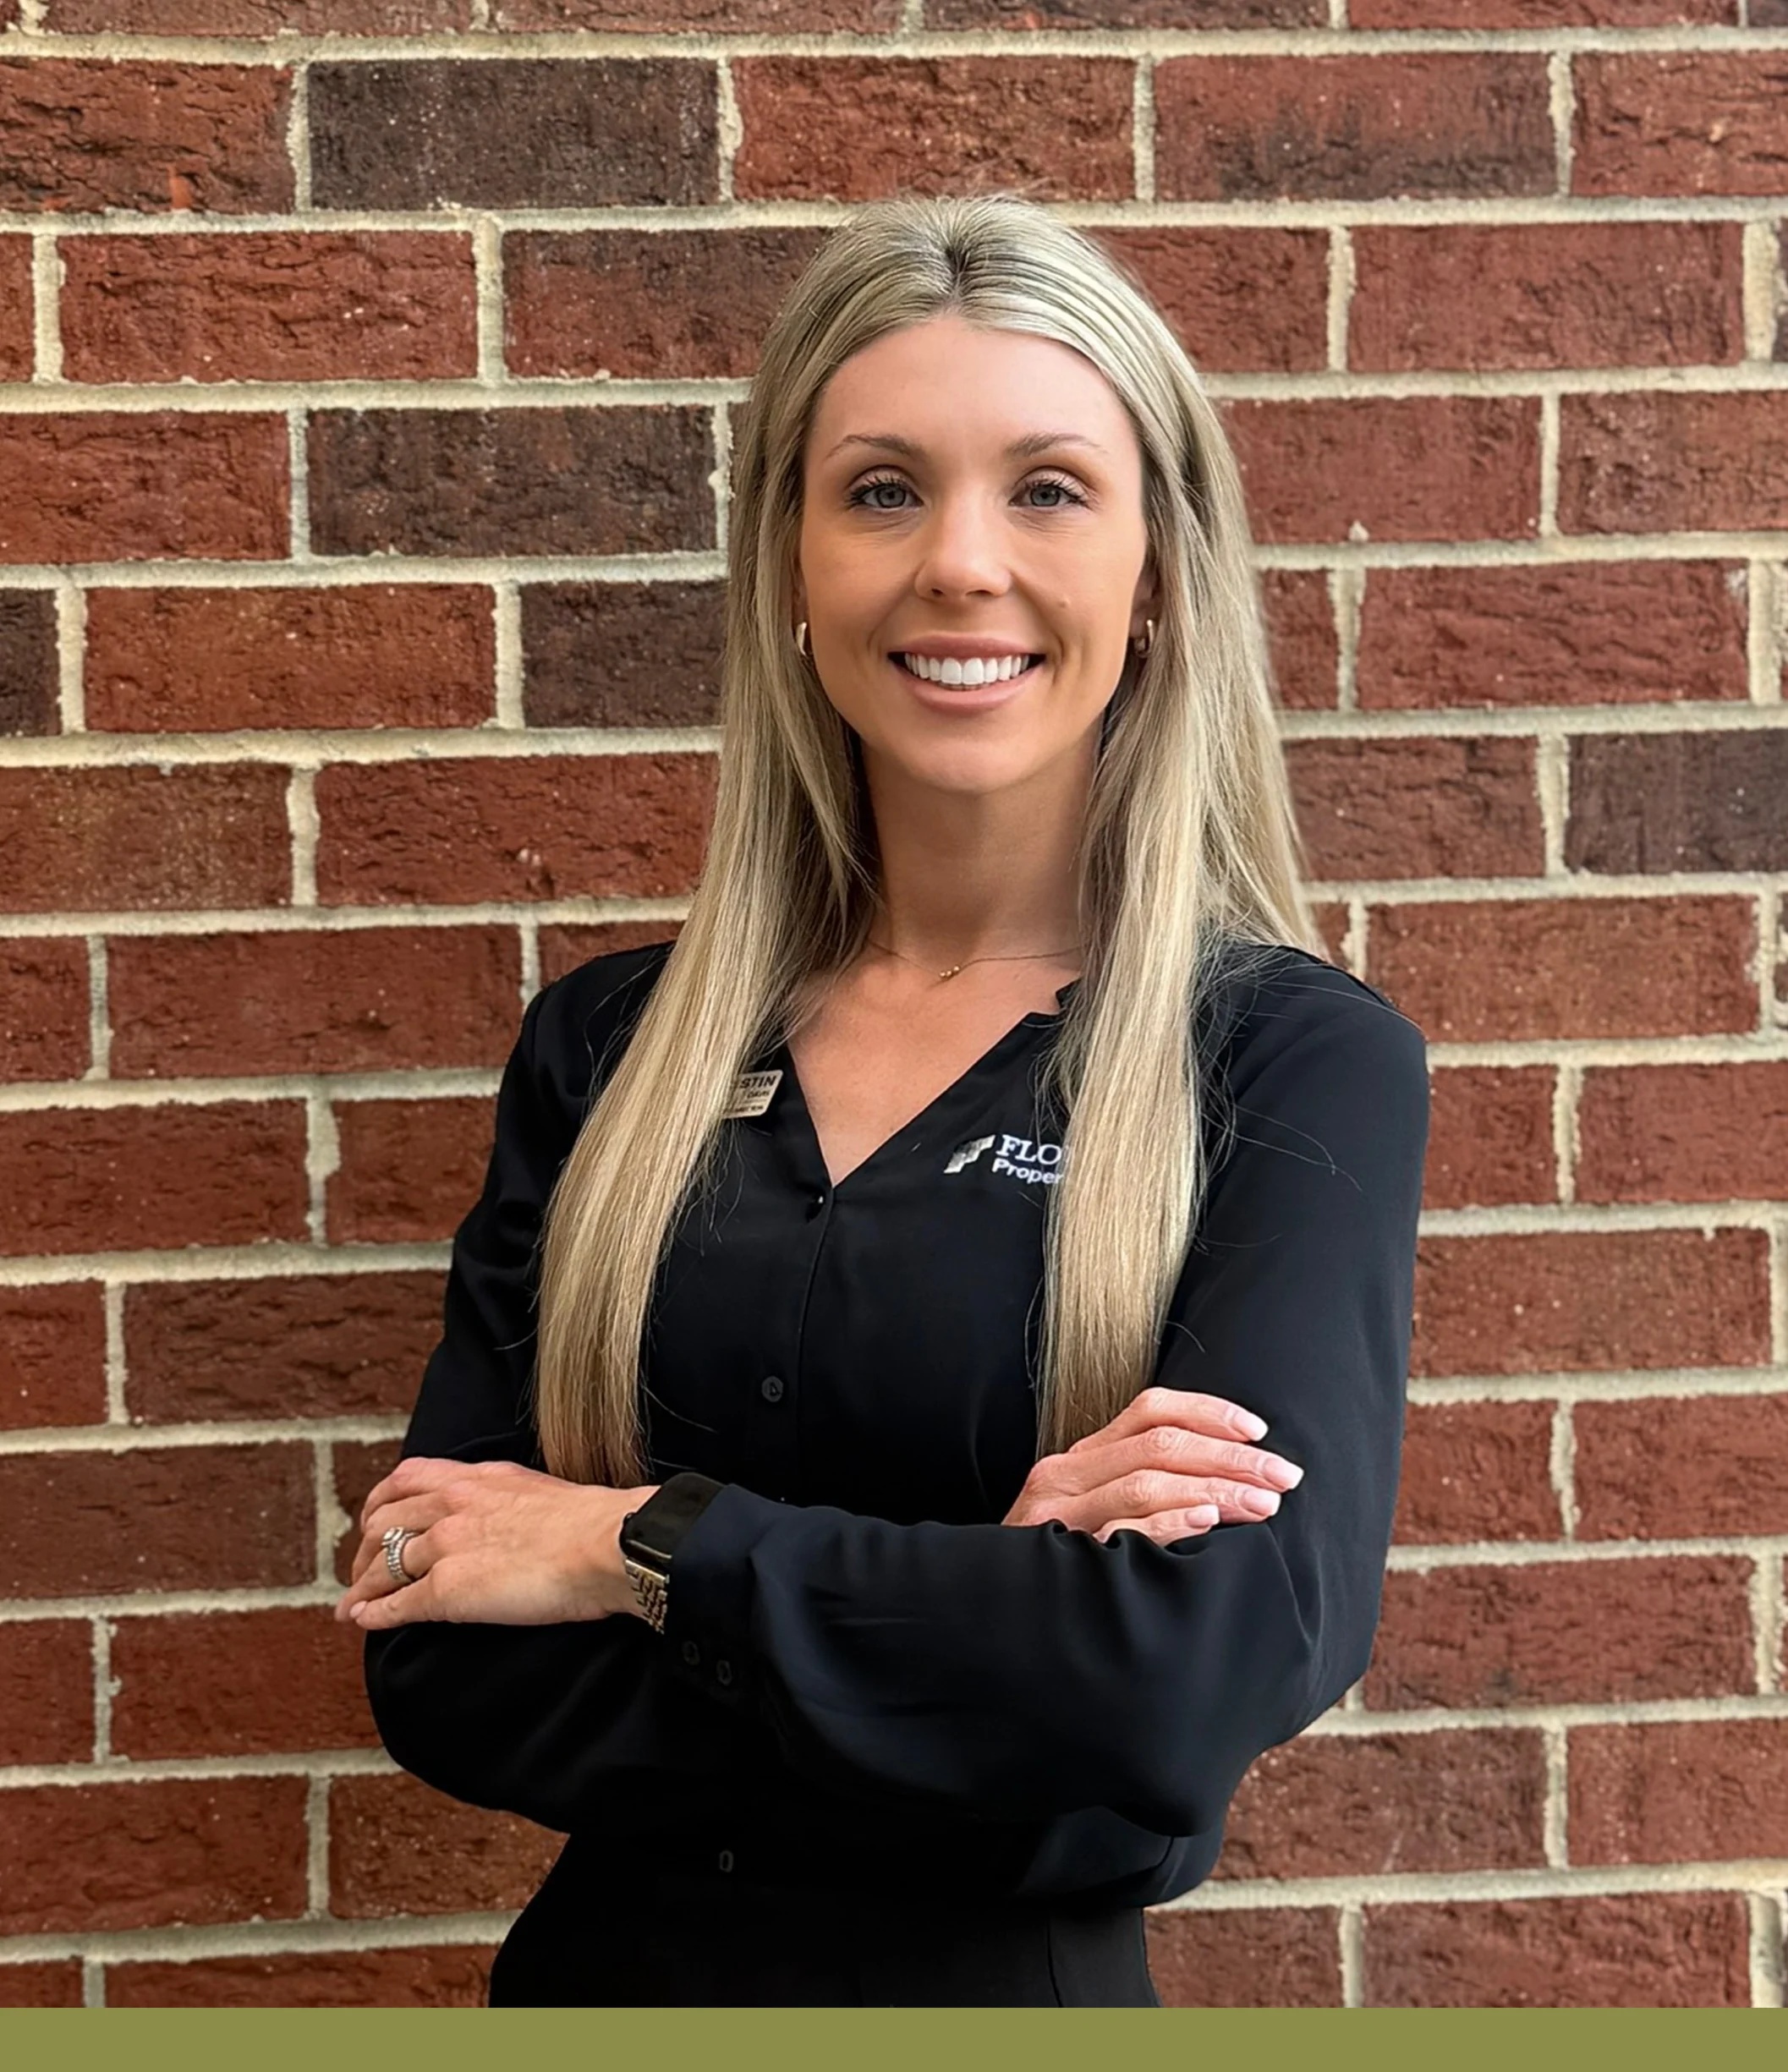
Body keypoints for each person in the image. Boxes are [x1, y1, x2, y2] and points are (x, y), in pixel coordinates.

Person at [332, 191, 1429, 2009]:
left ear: (1160, 570)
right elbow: (440, 1651)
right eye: (882, 489)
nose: (959, 563)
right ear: (789, 564)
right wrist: (995, 1634)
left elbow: (1192, 1671)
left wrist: (627, 1548)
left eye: (1050, 488)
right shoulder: (612, 1049)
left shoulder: (1287, 1063)